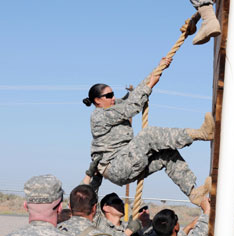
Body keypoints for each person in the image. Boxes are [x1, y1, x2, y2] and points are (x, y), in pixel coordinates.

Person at [83, 57, 214, 206]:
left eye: (113, 94)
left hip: (129, 161)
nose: (113, 98)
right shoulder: (99, 116)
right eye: (108, 96)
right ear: (97, 101)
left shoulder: (114, 105)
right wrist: (150, 86)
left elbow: (135, 95)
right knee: (148, 135)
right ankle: (200, 134)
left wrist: (159, 68)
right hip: (116, 167)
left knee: (167, 154)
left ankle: (193, 193)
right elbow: (131, 108)